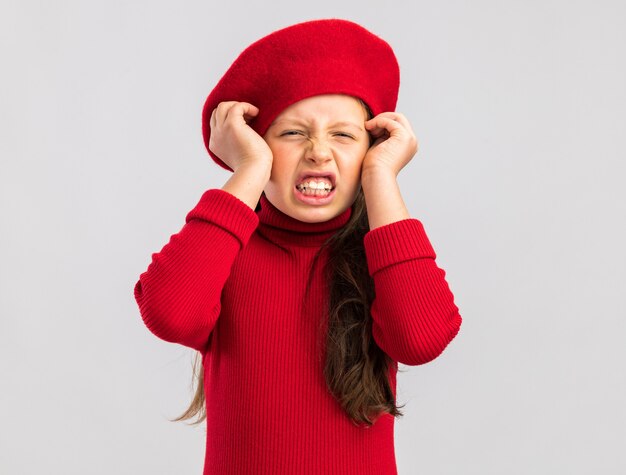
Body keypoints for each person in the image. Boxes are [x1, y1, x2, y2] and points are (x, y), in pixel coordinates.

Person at [134, 19, 462, 475]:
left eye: (343, 135)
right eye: (292, 133)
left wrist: (382, 177)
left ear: (370, 150)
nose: (318, 152)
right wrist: (248, 171)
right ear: (257, 146)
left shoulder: (381, 256)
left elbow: (420, 337)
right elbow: (170, 312)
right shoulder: (224, 250)